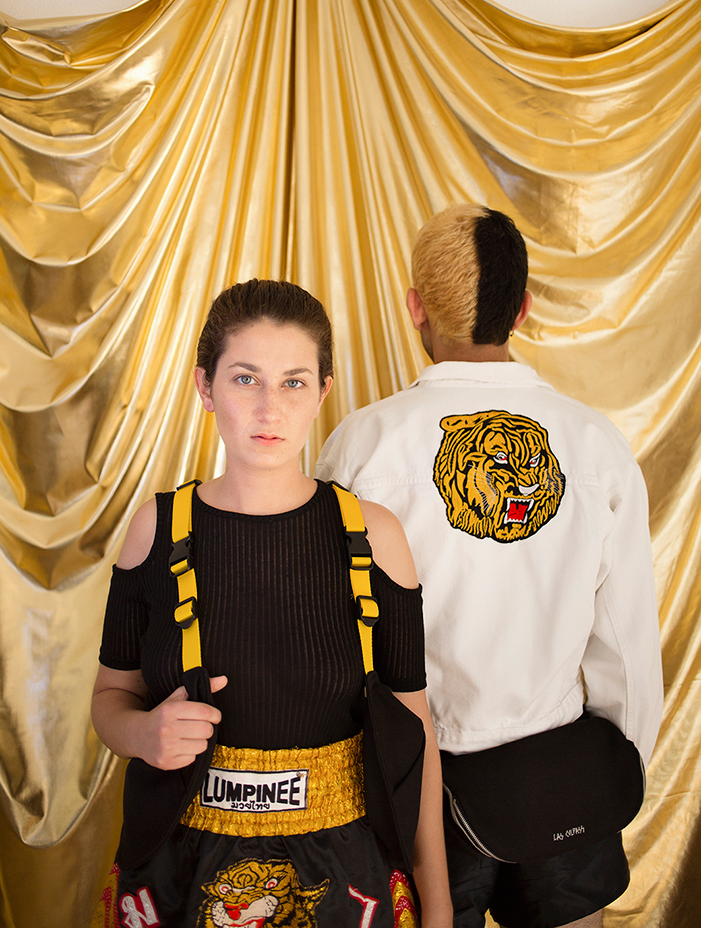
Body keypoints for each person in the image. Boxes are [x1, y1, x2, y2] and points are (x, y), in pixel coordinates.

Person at [316, 206, 664, 928]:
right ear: (524, 308)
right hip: (564, 776)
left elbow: (333, 641)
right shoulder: (595, 444)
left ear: (416, 307)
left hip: (418, 790)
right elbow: (627, 648)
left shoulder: (362, 447)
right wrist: (611, 771)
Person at [92, 279, 452, 928]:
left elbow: (414, 729)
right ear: (205, 386)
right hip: (178, 872)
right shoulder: (155, 529)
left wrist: (440, 901)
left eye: (293, 382)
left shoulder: (376, 538)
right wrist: (142, 733)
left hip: (347, 875)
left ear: (322, 391)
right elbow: (109, 697)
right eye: (245, 379)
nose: (270, 408)